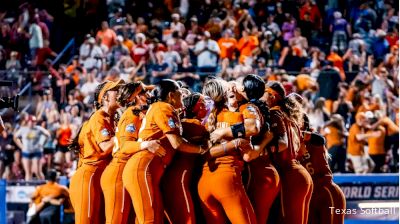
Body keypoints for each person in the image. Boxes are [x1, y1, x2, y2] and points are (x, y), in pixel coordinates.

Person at [122, 79, 208, 224]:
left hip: (146, 168)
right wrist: (202, 149)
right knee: (150, 220)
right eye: (179, 93)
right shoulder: (163, 107)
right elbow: (177, 143)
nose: (182, 96)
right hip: (143, 168)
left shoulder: (160, 107)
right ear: (170, 95)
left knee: (153, 218)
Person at [101, 82, 163, 224]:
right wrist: (145, 144)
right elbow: (124, 146)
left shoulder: (139, 112)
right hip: (117, 171)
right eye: (141, 93)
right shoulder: (131, 115)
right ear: (132, 98)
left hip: (125, 170)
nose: (147, 95)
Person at [199, 79, 257, 224]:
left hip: (204, 182)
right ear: (225, 95)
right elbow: (248, 154)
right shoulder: (238, 115)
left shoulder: (203, 120)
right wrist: (236, 143)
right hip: (228, 179)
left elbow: (203, 153)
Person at [69, 80, 122, 224]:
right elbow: (105, 146)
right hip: (89, 176)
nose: (121, 92)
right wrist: (125, 134)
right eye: (116, 89)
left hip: (100, 176)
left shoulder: (112, 119)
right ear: (105, 97)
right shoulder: (99, 117)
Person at [262, 81, 313, 224]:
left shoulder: (274, 113)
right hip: (300, 173)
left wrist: (262, 149)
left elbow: (283, 144)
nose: (261, 97)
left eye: (264, 94)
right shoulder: (289, 115)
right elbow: (301, 150)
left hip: (289, 175)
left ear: (272, 96)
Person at [161, 93, 209, 224]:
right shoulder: (194, 125)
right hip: (178, 180)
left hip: (172, 177)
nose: (206, 107)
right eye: (203, 104)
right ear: (195, 108)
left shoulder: (182, 122)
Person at [13, 115, 51, 180]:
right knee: (28, 172)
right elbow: (15, 137)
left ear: (35, 122)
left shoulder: (38, 128)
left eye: (33, 122)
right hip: (26, 152)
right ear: (27, 122)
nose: (31, 123)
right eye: (30, 121)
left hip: (37, 151)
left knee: (37, 171)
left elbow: (48, 135)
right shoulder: (23, 129)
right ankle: (28, 187)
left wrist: (42, 143)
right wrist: (21, 146)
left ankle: (42, 185)